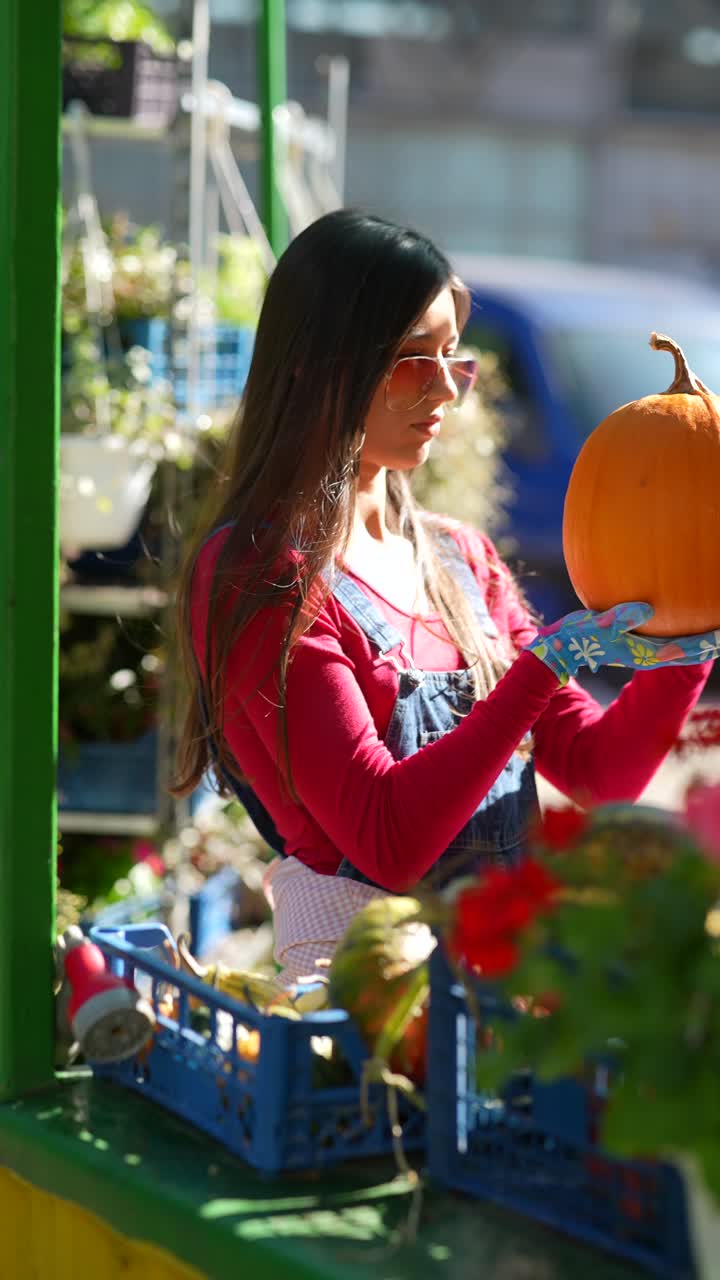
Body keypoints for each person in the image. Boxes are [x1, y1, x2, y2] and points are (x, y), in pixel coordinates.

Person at [173, 209, 717, 984]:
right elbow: (387, 842)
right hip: (362, 1001)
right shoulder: (262, 577)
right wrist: (542, 670)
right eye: (408, 359)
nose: (444, 390)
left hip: (505, 979)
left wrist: (688, 639)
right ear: (315, 365)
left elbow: (600, 772)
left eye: (451, 357)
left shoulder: (460, 557)